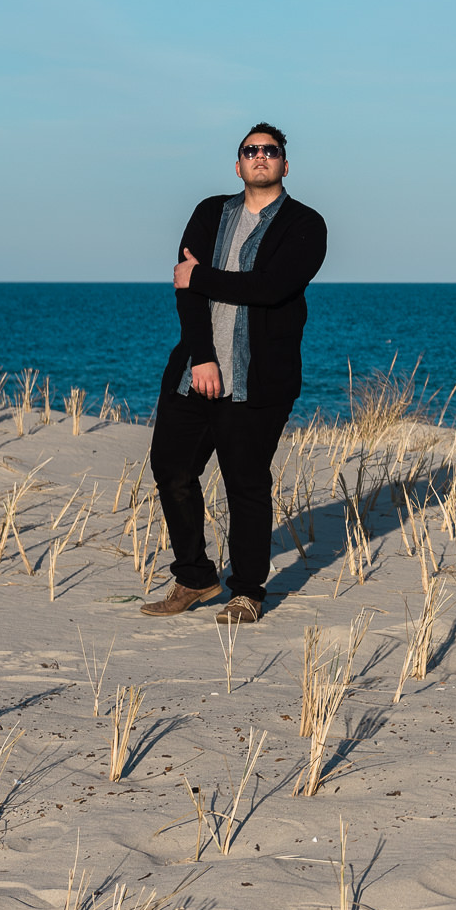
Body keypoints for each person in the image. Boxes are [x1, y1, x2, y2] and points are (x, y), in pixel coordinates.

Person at [142, 124, 328, 625]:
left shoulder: (306, 225)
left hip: (259, 379)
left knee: (245, 482)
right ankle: (197, 577)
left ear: (285, 165)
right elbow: (186, 294)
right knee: (171, 469)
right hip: (194, 371)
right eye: (251, 151)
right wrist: (201, 357)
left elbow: (271, 288)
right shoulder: (210, 212)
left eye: (270, 151)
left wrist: (200, 275)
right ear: (238, 164)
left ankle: (247, 591)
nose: (260, 157)